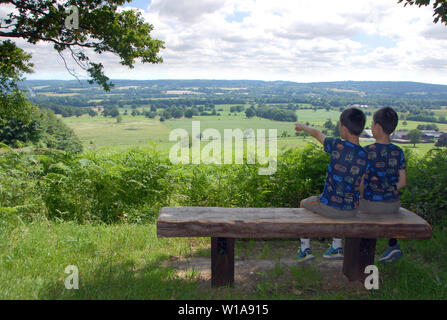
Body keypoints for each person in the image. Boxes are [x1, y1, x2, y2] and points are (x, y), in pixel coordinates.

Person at [295, 108, 368, 262]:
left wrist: (302, 126)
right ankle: (336, 246)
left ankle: (305, 249)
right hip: (351, 209)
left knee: (303, 203)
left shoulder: (337, 146)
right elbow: (362, 186)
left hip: (328, 206)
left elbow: (316, 133)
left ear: (344, 128)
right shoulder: (365, 155)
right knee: (340, 204)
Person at [359, 107, 406, 263]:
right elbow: (402, 182)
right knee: (386, 211)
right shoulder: (398, 152)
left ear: (377, 127)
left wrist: (361, 194)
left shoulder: (366, 152)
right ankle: (393, 245)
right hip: (393, 204)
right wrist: (388, 190)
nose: (371, 127)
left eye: (372, 124)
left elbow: (360, 183)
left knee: (354, 208)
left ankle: (363, 251)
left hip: (371, 205)